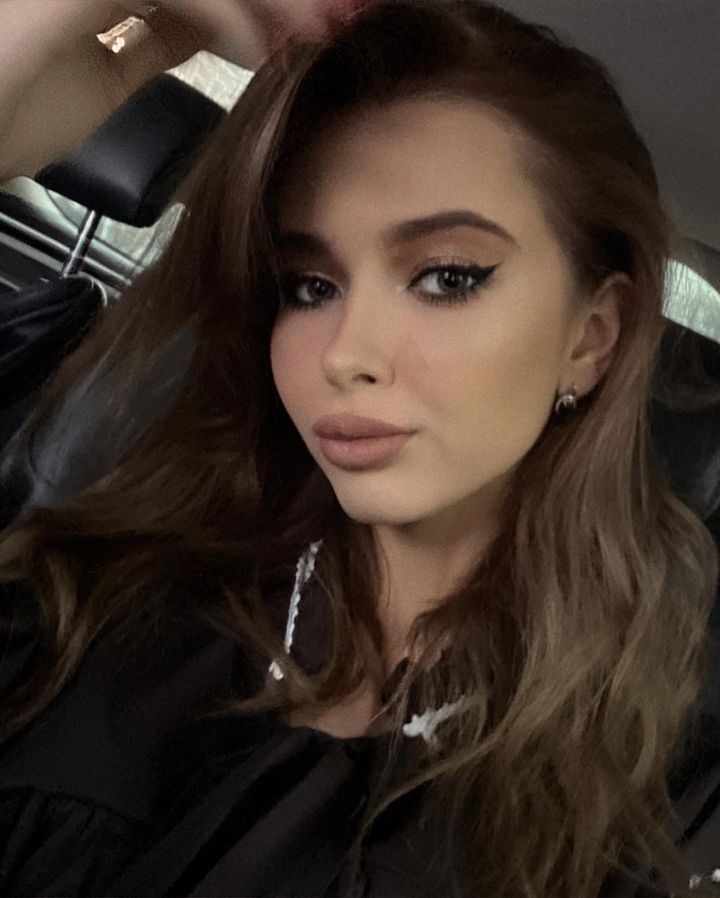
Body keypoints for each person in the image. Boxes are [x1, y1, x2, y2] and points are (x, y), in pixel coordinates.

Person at [0, 0, 719, 895]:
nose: (345, 355)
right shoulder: (109, 593)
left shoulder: (667, 775)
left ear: (591, 336)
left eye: (447, 277)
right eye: (308, 285)